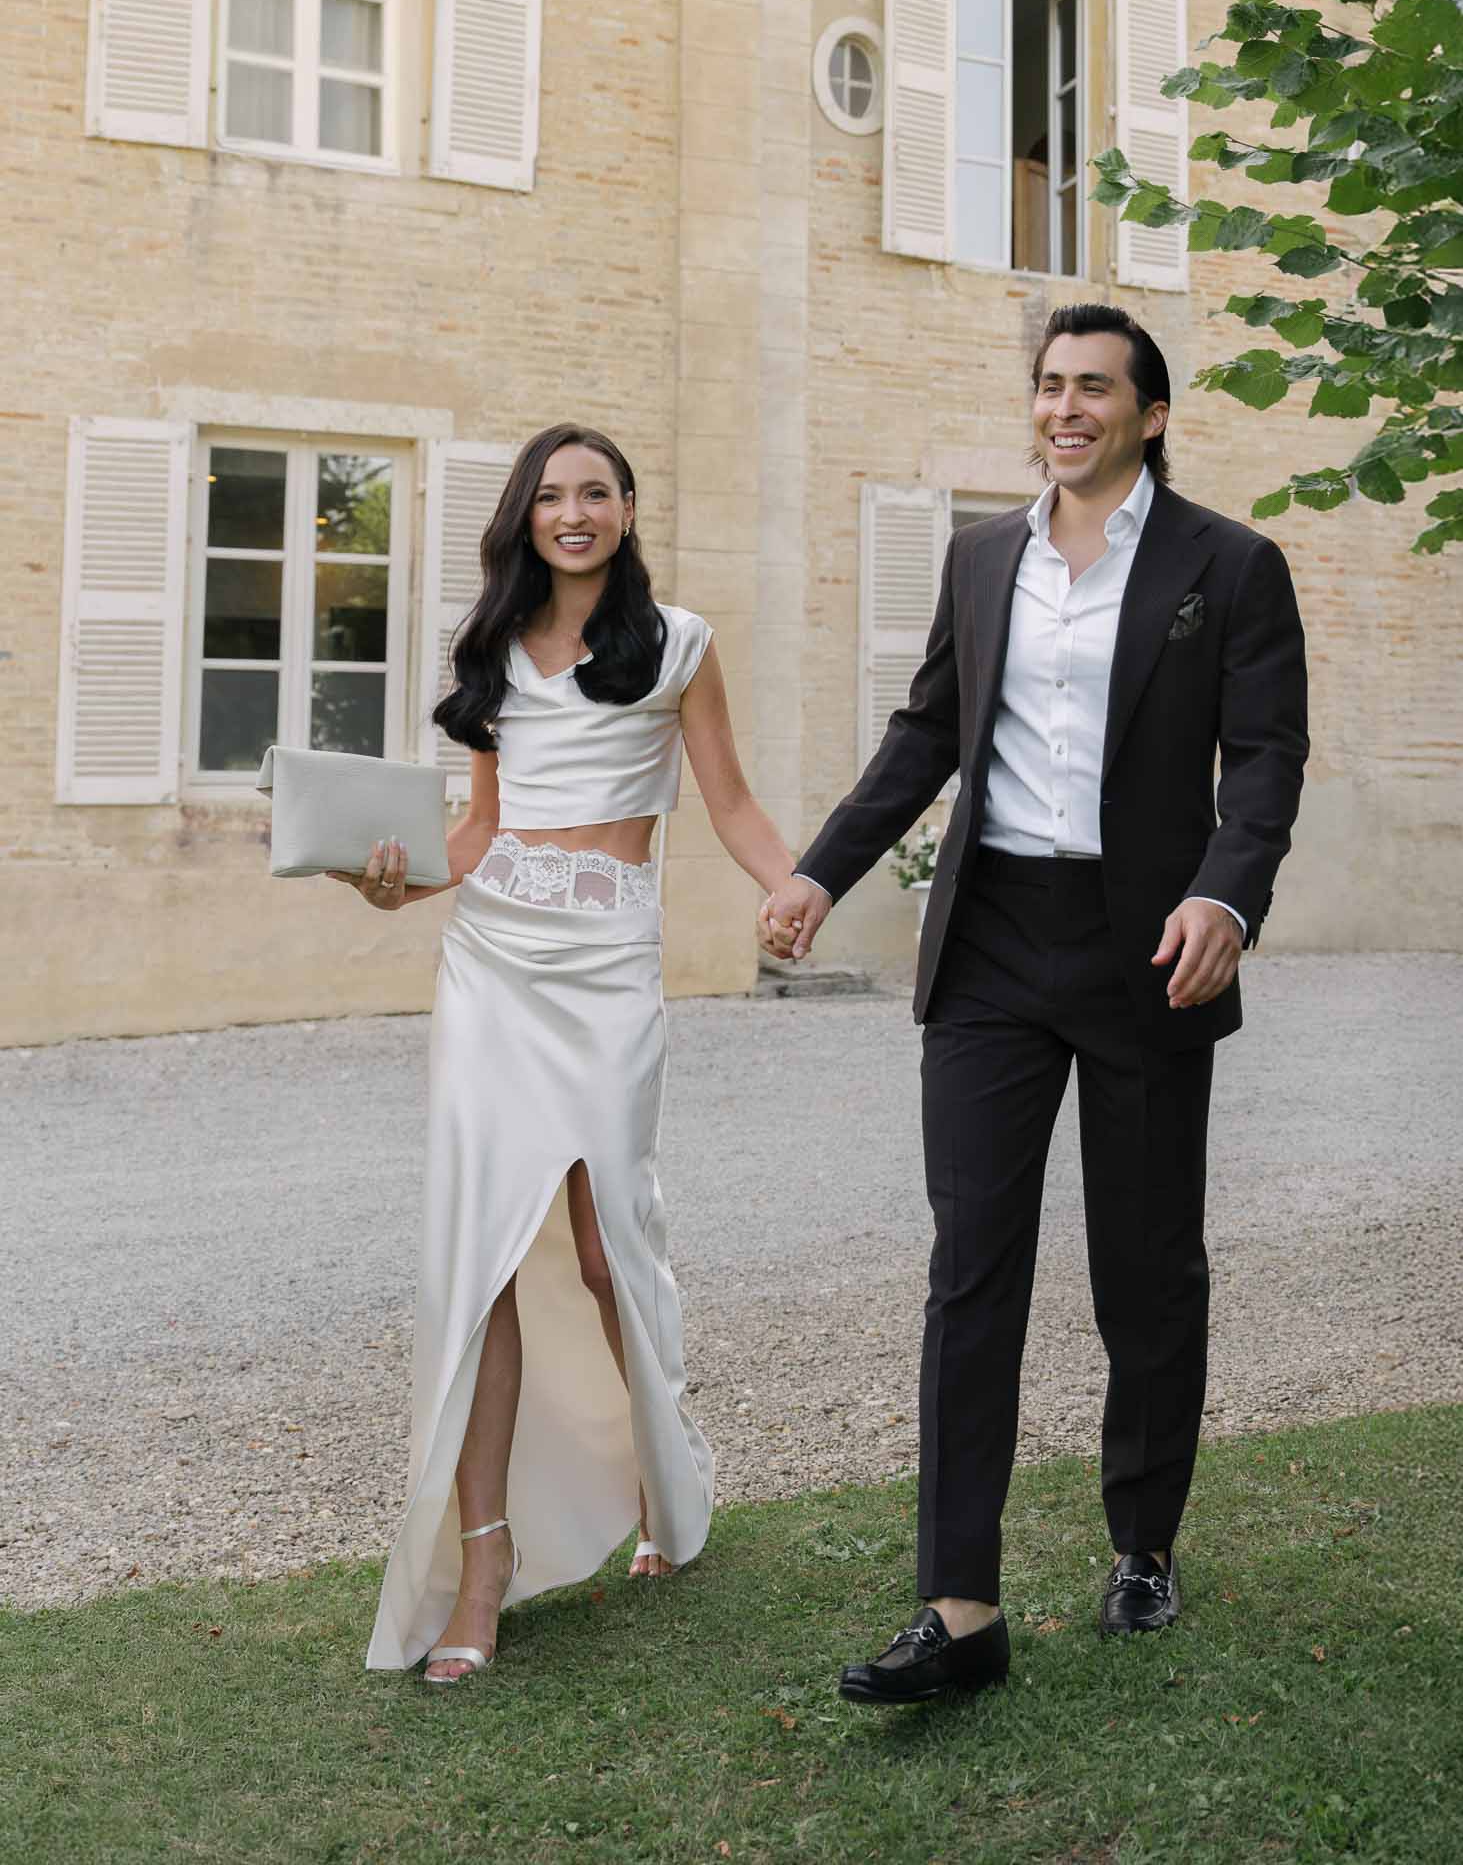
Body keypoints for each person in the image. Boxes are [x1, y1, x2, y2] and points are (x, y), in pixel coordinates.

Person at [760, 304, 1308, 1703]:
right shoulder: (979, 557)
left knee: (1143, 1268)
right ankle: (957, 1609)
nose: (1062, 408)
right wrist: (820, 872)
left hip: (1147, 950)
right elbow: (928, 732)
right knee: (970, 1267)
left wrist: (1222, 897)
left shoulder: (1227, 566)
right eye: (1046, 386)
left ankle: (1140, 1545)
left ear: (1150, 413)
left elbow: (1262, 762)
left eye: (1091, 388)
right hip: (993, 940)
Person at [334, 422, 796, 1684]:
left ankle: (659, 1463)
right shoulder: (486, 652)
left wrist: (789, 885)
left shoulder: (679, 644)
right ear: (524, 517)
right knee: (483, 1256)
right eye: (550, 495)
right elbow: (478, 832)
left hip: (603, 972)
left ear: (629, 508)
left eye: (595, 490)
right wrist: (397, 886)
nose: (573, 511)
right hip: (491, 964)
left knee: (603, 1246)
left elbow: (732, 802)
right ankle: (482, 1561)